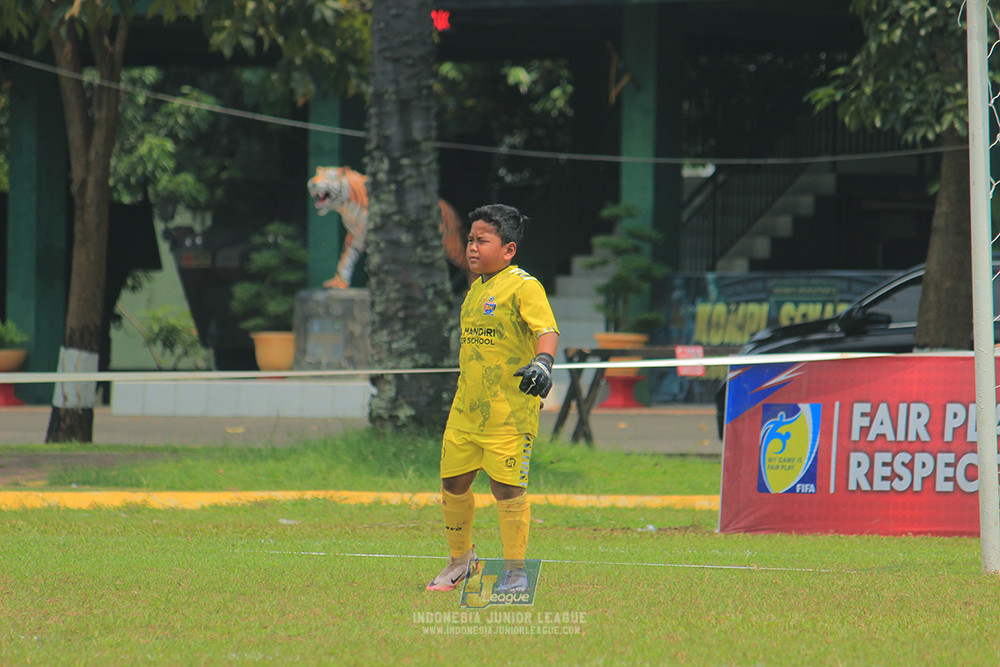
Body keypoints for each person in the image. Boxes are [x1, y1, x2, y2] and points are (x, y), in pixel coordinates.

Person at [426, 204, 560, 593]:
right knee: (453, 483)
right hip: (467, 412)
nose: (471, 247)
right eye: (470, 239)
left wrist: (543, 362)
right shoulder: (475, 289)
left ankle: (516, 572)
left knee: (507, 490)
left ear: (508, 249)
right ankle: (461, 562)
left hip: (508, 414)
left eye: (482, 240)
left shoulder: (523, 285)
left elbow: (547, 330)